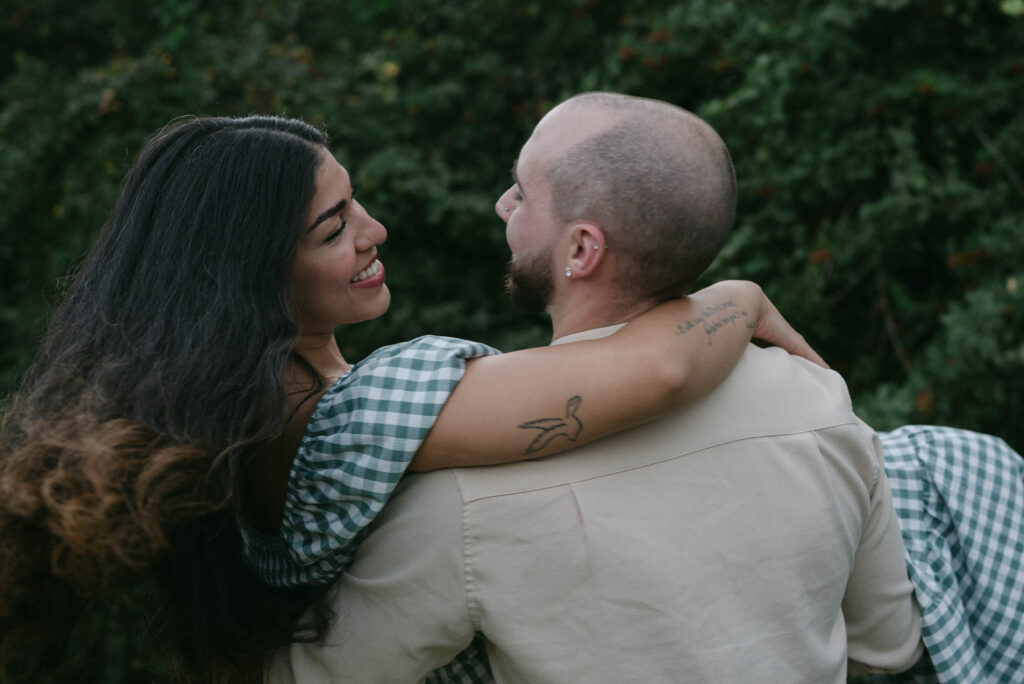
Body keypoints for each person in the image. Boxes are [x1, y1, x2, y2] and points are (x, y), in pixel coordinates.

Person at [0, 115, 819, 683]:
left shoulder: (259, 424)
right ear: (248, 281)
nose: (375, 230)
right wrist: (741, 297)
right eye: (334, 229)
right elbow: (664, 372)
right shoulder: (346, 421)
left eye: (353, 201)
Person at [267, 93, 928, 683]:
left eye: (521, 193)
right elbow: (887, 645)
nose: (502, 205)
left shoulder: (456, 503)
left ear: (581, 251)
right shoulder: (818, 402)